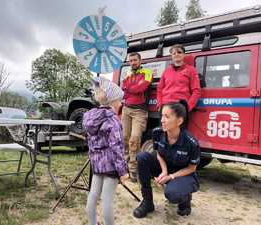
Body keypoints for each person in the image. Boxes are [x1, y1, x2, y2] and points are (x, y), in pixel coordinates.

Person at [133, 100, 200, 218]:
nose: (162, 120)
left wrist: (171, 177)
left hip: (184, 174)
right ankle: (147, 202)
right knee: (142, 157)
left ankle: (185, 200)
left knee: (172, 194)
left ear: (179, 121)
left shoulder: (191, 142)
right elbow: (159, 154)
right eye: (162, 115)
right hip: (167, 168)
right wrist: (164, 171)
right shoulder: (157, 133)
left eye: (167, 116)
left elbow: (191, 168)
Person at [83, 77, 129, 225]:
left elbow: (90, 142)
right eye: (119, 100)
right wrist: (123, 171)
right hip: (110, 166)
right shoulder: (113, 120)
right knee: (107, 200)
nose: (121, 103)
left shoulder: (90, 118)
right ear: (112, 101)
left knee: (93, 195)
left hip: (96, 165)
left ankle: (92, 223)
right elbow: (117, 147)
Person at [121, 52, 153, 182]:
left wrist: (129, 88)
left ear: (140, 60)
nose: (133, 62)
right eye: (131, 60)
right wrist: (130, 88)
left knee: (134, 140)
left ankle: (134, 170)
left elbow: (141, 88)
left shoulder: (147, 72)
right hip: (126, 109)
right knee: (124, 138)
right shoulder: (127, 73)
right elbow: (123, 88)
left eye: (135, 60)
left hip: (140, 111)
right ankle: (124, 168)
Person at [157, 44, 201, 112]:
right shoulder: (166, 71)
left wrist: (187, 107)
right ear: (171, 56)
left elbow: (196, 91)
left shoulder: (191, 70)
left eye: (179, 52)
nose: (176, 54)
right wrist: (160, 104)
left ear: (184, 54)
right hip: (165, 106)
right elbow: (159, 89)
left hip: (180, 107)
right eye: (173, 53)